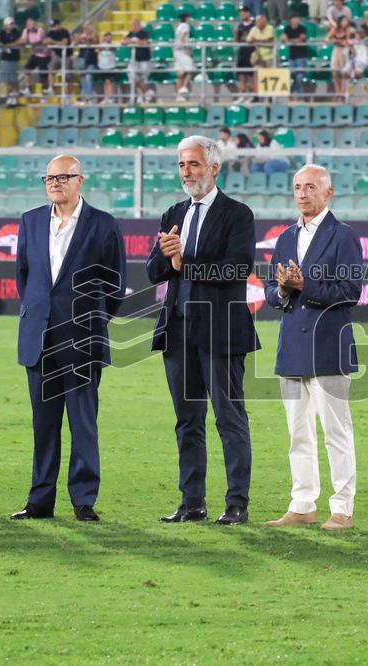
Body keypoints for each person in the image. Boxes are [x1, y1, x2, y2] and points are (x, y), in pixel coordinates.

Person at [147, 135, 260, 526]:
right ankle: (192, 503)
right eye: (181, 165)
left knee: (229, 419)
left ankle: (236, 505)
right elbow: (153, 271)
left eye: (194, 164)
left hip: (222, 330)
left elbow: (237, 268)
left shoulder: (237, 214)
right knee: (187, 421)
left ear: (214, 168)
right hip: (178, 331)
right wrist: (166, 258)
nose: (186, 172)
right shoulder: (172, 212)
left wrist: (184, 264)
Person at [12, 155, 127, 522]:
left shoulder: (103, 224)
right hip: (39, 338)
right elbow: (25, 278)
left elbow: (115, 287)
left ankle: (83, 500)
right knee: (43, 425)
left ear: (81, 180)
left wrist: (89, 321)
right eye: (49, 177)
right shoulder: (30, 221)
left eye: (63, 177)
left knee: (82, 424)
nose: (55, 183)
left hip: (82, 340)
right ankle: (39, 501)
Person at [263, 164, 362, 531]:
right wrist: (284, 290)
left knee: (336, 433)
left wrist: (304, 287)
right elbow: (271, 292)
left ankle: (342, 509)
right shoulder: (286, 236)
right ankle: (302, 503)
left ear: (328, 192)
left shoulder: (344, 236)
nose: (302, 193)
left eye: (310, 187)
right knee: (297, 434)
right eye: (297, 187)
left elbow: (351, 293)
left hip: (328, 348)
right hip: (291, 348)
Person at [124, 19, 152, 103]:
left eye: (135, 25)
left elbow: (146, 42)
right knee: (132, 76)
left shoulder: (144, 33)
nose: (134, 27)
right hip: (134, 60)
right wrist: (132, 42)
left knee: (143, 77)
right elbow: (125, 41)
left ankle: (144, 96)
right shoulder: (130, 34)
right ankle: (147, 92)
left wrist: (134, 42)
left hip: (143, 59)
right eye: (132, 25)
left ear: (139, 25)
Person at [282, 13, 308, 96]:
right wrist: (293, 40)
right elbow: (283, 39)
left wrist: (290, 40)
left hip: (301, 56)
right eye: (294, 18)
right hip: (292, 56)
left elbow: (302, 38)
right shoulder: (287, 28)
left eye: (297, 18)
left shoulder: (302, 28)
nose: (296, 20)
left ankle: (297, 94)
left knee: (299, 77)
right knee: (292, 76)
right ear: (290, 20)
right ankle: (297, 94)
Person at [234, 6, 256, 102]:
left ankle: (252, 95)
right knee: (242, 75)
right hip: (242, 52)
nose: (242, 14)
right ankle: (243, 95)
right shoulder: (239, 26)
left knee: (252, 75)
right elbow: (236, 41)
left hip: (252, 52)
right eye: (241, 13)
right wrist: (235, 35)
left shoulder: (254, 25)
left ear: (248, 13)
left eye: (244, 12)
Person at [0, 16, 22, 102]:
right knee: (6, 78)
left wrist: (8, 45)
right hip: (5, 57)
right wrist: (4, 47)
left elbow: (19, 42)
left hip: (14, 57)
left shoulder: (16, 32)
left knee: (13, 77)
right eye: (9, 24)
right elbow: (0, 43)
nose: (11, 26)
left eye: (12, 24)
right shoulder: (2, 33)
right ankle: (11, 94)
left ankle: (16, 92)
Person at [173, 13, 194, 100]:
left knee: (180, 74)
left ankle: (179, 96)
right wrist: (187, 49)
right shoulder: (186, 26)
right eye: (189, 18)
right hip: (182, 51)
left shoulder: (178, 27)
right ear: (186, 18)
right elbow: (182, 38)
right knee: (191, 70)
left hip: (176, 51)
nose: (190, 19)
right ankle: (184, 87)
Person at [96, 31, 117, 104]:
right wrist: (102, 43)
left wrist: (107, 45)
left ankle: (110, 97)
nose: (108, 38)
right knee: (105, 82)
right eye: (107, 37)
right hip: (102, 66)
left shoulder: (113, 45)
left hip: (111, 66)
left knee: (109, 82)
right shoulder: (101, 46)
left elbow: (113, 49)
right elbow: (97, 49)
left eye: (110, 37)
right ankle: (106, 97)